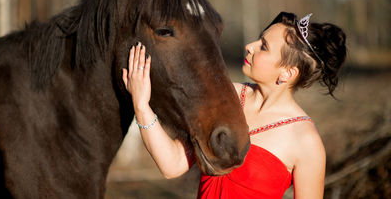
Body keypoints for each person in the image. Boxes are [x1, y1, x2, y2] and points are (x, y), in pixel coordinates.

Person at [122, 11, 347, 199]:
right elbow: (173, 165)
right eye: (259, 39)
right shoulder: (223, 96)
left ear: (287, 73)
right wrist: (142, 106)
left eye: (264, 47)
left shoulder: (306, 141)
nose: (250, 46)